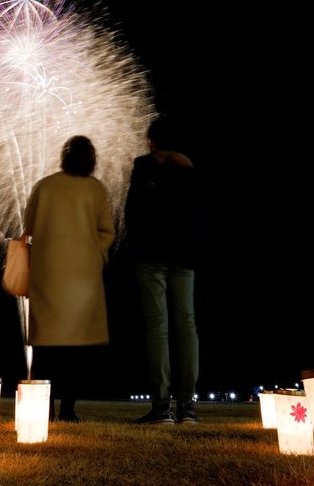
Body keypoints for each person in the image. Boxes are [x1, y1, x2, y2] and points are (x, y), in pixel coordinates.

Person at [23, 135, 116, 422]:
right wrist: (96, 254)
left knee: (46, 347)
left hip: (48, 276)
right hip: (83, 279)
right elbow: (106, 232)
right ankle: (68, 410)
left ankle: (45, 409)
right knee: (76, 350)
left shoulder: (45, 186)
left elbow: (29, 226)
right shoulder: (96, 190)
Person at [125, 116, 201, 424]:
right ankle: (188, 407)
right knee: (187, 326)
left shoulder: (143, 166)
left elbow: (132, 211)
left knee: (158, 327)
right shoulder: (189, 169)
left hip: (150, 254)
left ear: (152, 141)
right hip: (184, 256)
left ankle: (161, 407)